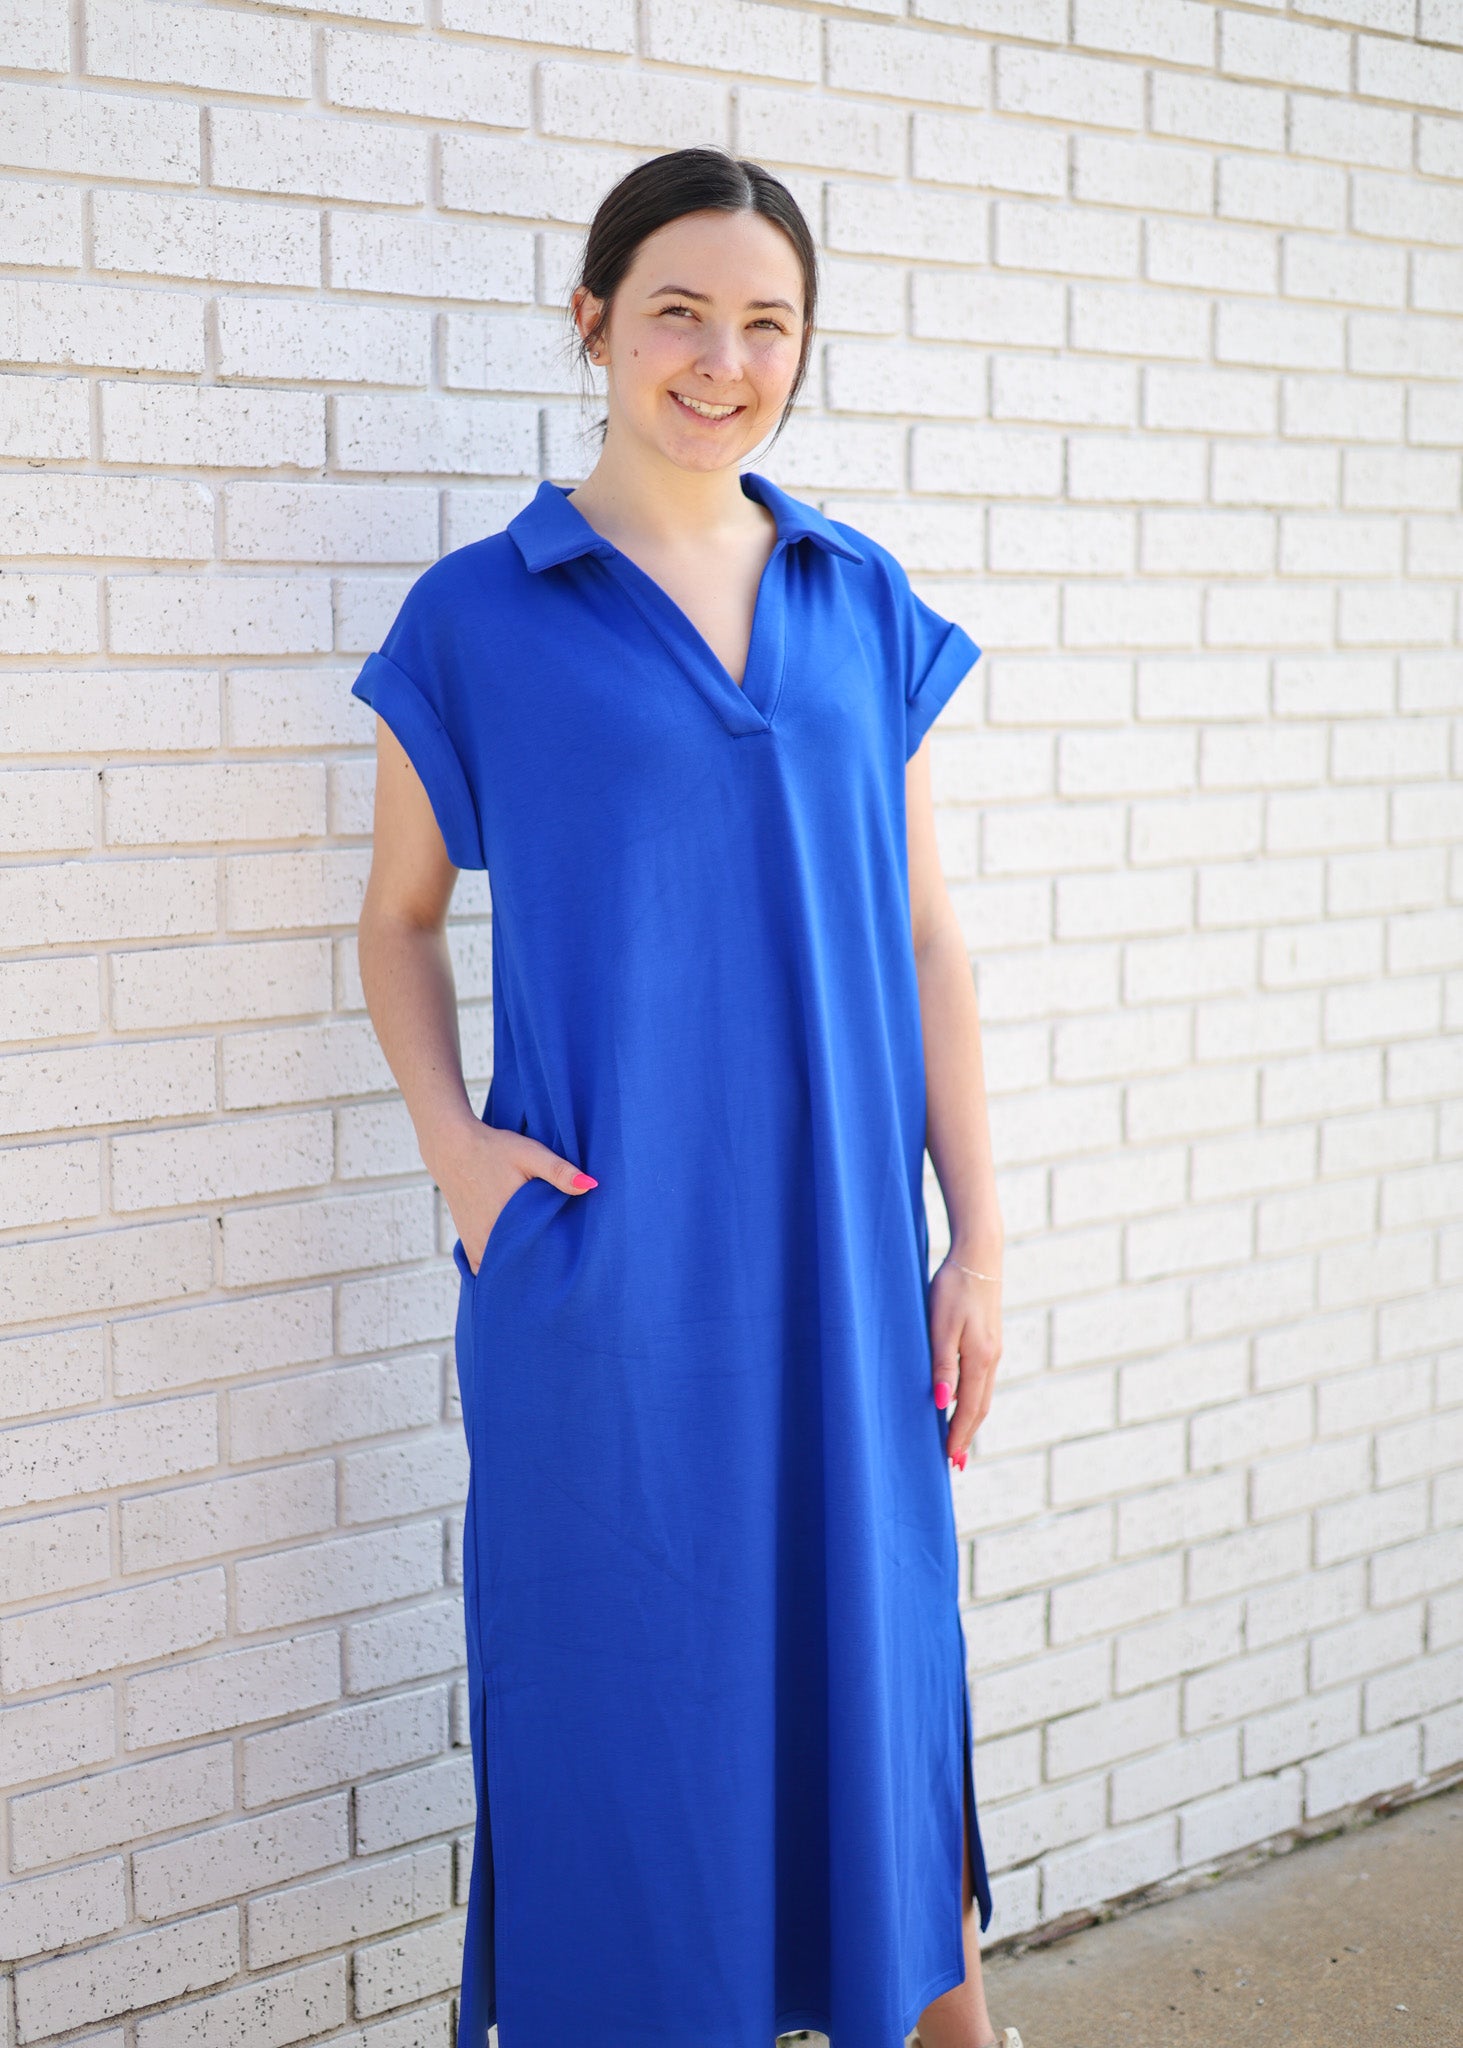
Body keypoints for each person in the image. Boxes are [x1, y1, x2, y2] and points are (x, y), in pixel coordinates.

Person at [352, 144, 1017, 2048]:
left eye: (767, 325)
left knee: (881, 1719)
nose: (723, 361)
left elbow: (927, 944)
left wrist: (979, 1243)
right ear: (594, 323)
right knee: (627, 1742)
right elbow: (396, 925)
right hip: (604, 1294)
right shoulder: (483, 614)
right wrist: (463, 1159)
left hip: (841, 1278)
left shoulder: (854, 592)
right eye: (680, 314)